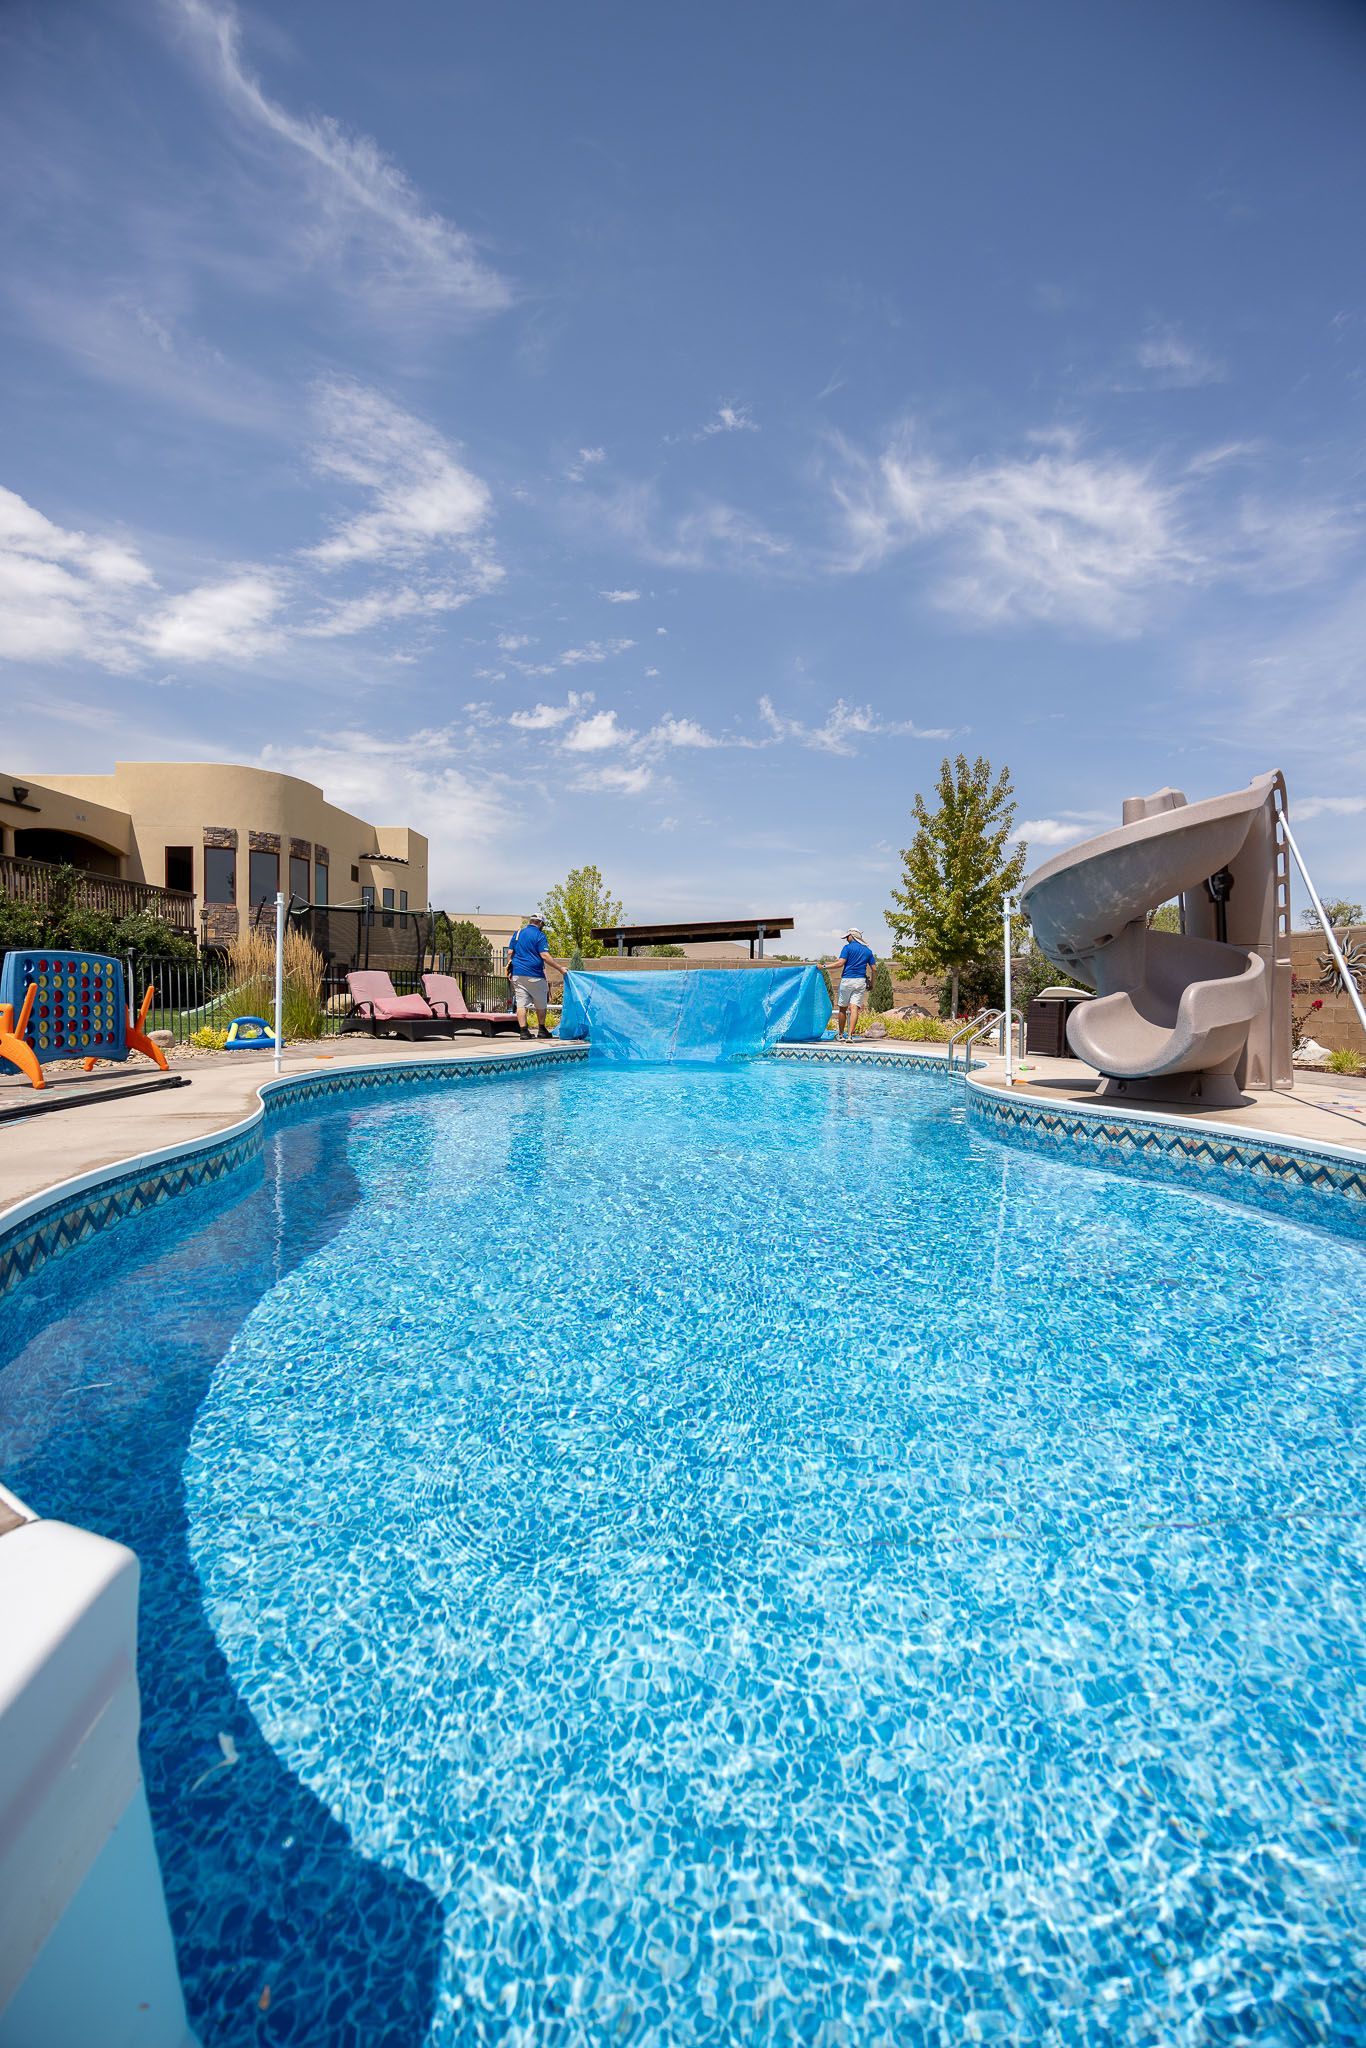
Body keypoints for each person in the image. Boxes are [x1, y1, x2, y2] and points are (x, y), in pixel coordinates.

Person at [507, 913, 563, 1039]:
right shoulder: (540, 935)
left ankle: (523, 1032)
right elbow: (544, 955)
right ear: (540, 923)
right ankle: (542, 1030)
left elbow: (510, 953)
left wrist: (510, 969)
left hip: (518, 974)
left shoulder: (518, 933)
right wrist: (560, 969)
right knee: (541, 1003)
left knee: (521, 1004)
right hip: (535, 975)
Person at [833, 926, 876, 1041]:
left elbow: (840, 963)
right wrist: (872, 983)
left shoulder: (847, 948)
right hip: (860, 982)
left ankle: (840, 1035)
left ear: (852, 936)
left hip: (847, 980)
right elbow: (874, 969)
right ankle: (850, 1036)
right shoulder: (868, 951)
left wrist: (824, 966)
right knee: (854, 1008)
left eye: (847, 937)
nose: (846, 939)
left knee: (842, 1008)